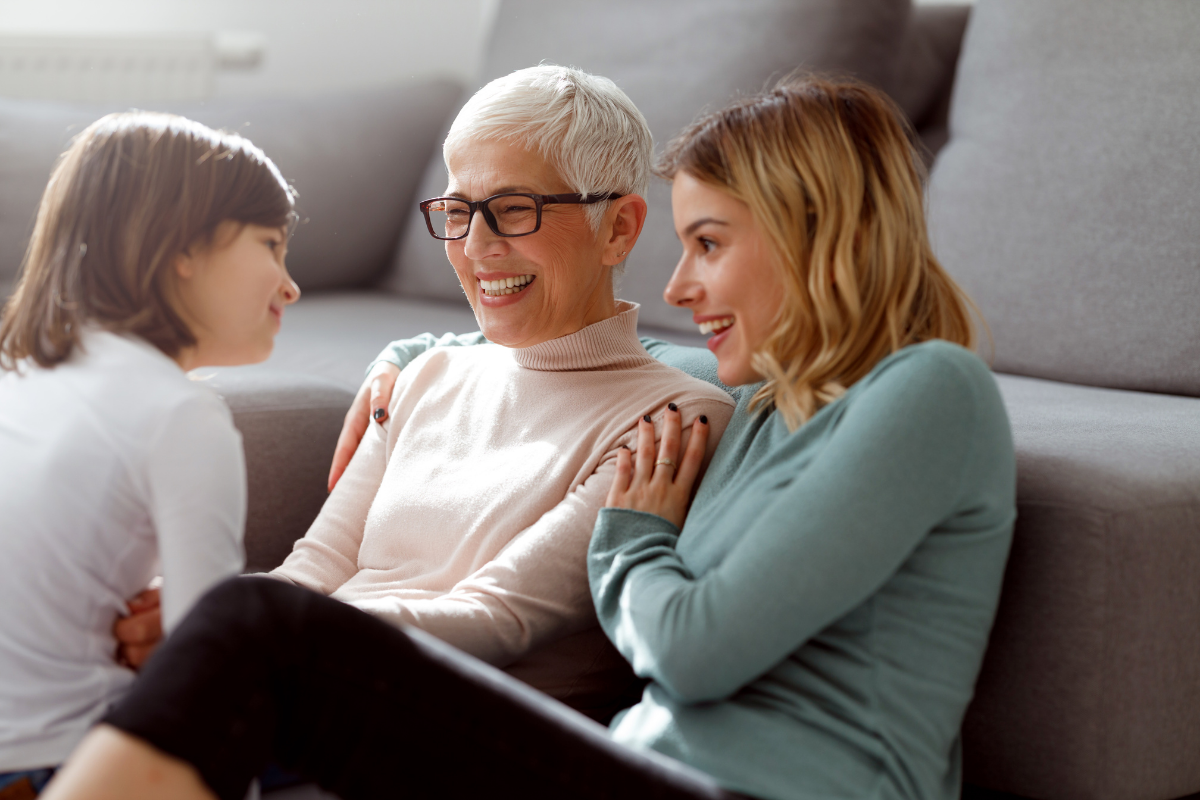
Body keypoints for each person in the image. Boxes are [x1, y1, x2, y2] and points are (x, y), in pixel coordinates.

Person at [44, 75, 1016, 800]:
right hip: (630, 767)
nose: (677, 287)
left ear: (817, 233)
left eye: (709, 243)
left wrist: (635, 540)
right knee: (215, 654)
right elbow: (577, 357)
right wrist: (424, 349)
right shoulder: (756, 405)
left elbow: (697, 649)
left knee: (252, 629)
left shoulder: (932, 389)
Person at [112, 64, 736, 722]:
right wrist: (195, 609)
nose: (475, 246)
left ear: (618, 228)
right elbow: (314, 568)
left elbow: (496, 617)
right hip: (308, 676)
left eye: (515, 209)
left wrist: (244, 626)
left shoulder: (670, 418)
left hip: (445, 727)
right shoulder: (425, 375)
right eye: (459, 210)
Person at [0, 112, 300, 796]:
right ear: (183, 248)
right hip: (68, 763)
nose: (290, 286)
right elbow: (214, 684)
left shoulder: (21, 372)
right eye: (271, 245)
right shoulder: (181, 414)